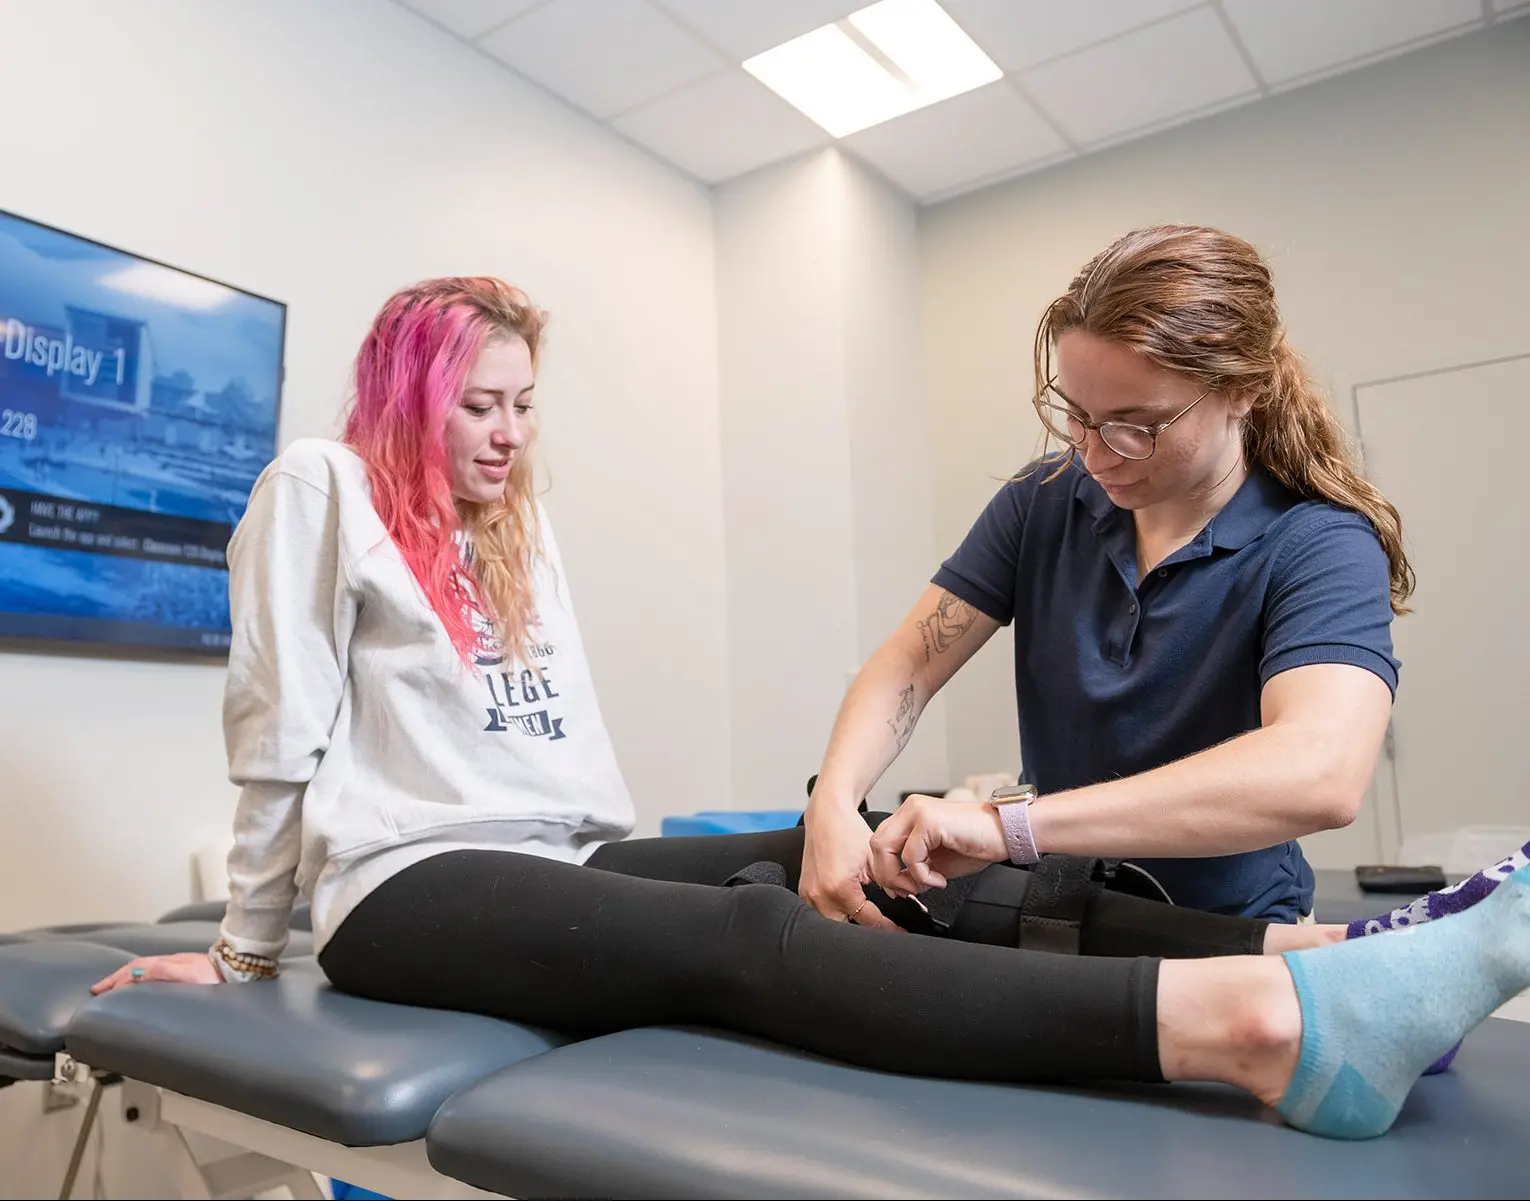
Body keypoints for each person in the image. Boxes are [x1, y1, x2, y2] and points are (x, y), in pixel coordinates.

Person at [89, 274, 1530, 1143]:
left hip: (550, 860)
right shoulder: (316, 487)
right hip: (395, 889)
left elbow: (555, 751)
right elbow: (277, 736)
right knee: (751, 927)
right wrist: (241, 949)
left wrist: (821, 820)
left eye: (525, 402)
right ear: (408, 394)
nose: (510, 432)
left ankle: (1322, 947)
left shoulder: (510, 526)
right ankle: (1252, 1025)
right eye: (478, 406)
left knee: (859, 850)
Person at [801, 224, 1407, 932]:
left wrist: (1011, 826)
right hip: (1066, 907)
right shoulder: (1043, 500)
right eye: (1077, 416)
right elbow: (911, 659)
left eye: (1134, 425)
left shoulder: (1319, 544)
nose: (1095, 454)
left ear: (1243, 390)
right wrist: (833, 802)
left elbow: (1320, 771)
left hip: (1226, 925)